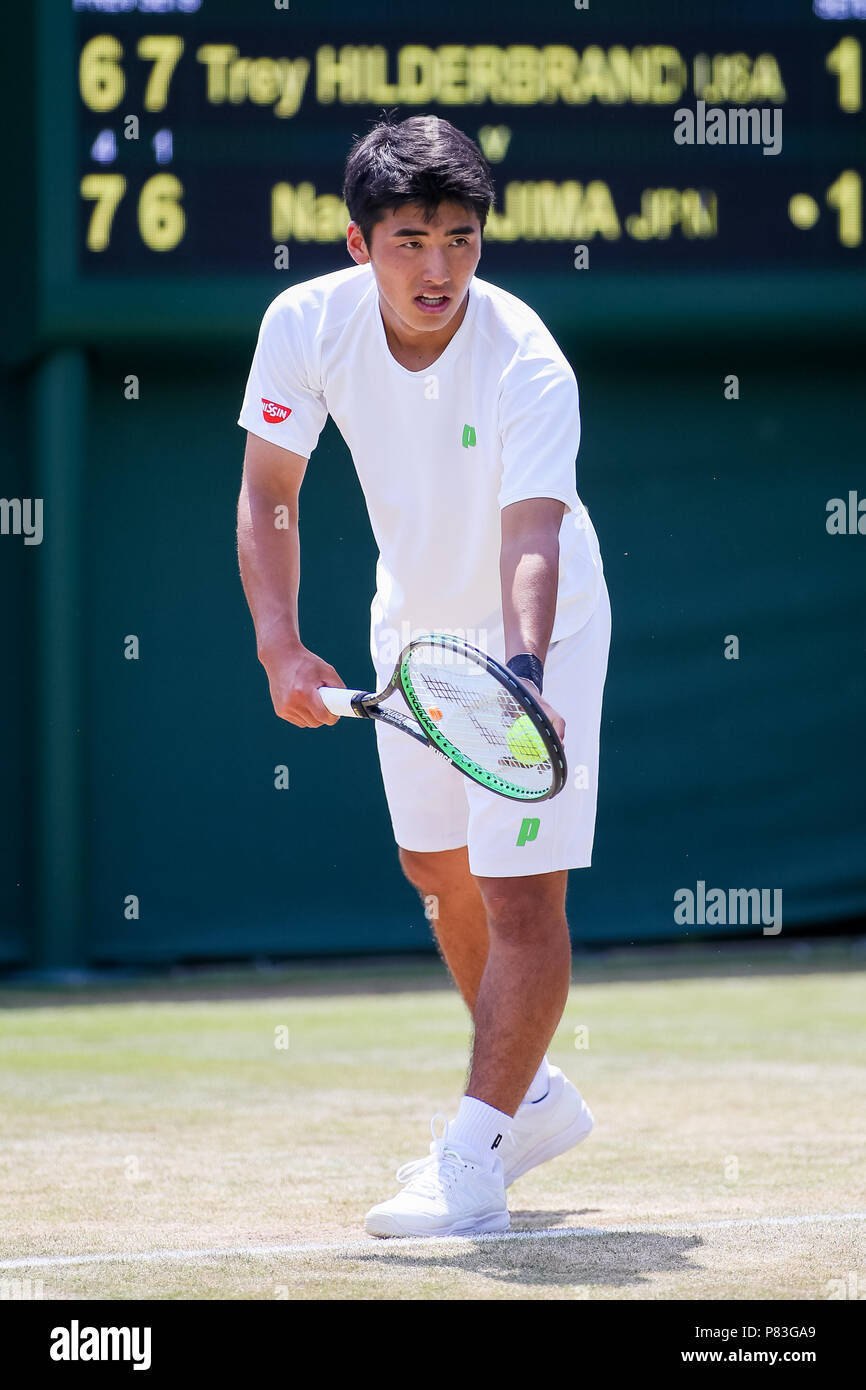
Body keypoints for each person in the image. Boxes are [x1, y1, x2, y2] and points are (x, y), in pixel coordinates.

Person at [236, 113, 611, 1238]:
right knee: (437, 870)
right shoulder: (302, 324)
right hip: (411, 627)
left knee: (517, 893)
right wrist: (278, 640)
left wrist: (529, 665)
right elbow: (269, 492)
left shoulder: (527, 357)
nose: (437, 267)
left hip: (536, 630)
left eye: (459, 238)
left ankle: (472, 1158)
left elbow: (531, 533)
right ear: (359, 244)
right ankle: (533, 1101)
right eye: (409, 241)